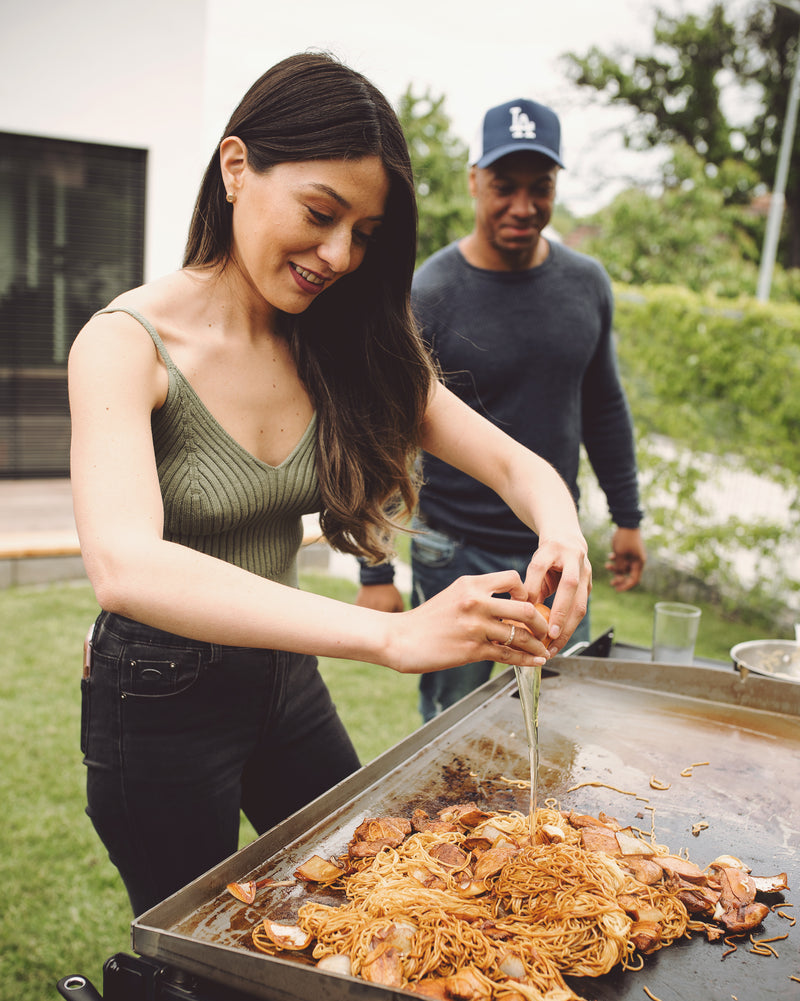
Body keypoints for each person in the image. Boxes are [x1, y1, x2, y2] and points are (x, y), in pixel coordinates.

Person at [68, 56, 591, 916]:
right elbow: (126, 565)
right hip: (154, 696)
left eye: (366, 233)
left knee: (368, 894)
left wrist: (560, 532)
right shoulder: (124, 344)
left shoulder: (341, 340)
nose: (340, 255)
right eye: (320, 214)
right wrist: (392, 635)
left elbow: (513, 463)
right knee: (196, 951)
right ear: (236, 168)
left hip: (284, 677)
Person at [357, 96, 645, 723]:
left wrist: (627, 515)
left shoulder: (586, 284)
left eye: (539, 188)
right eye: (503, 186)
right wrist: (373, 568)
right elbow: (383, 432)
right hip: (454, 547)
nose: (523, 206)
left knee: (560, 717)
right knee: (454, 725)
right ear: (473, 182)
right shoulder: (429, 293)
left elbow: (604, 405)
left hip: (556, 551)